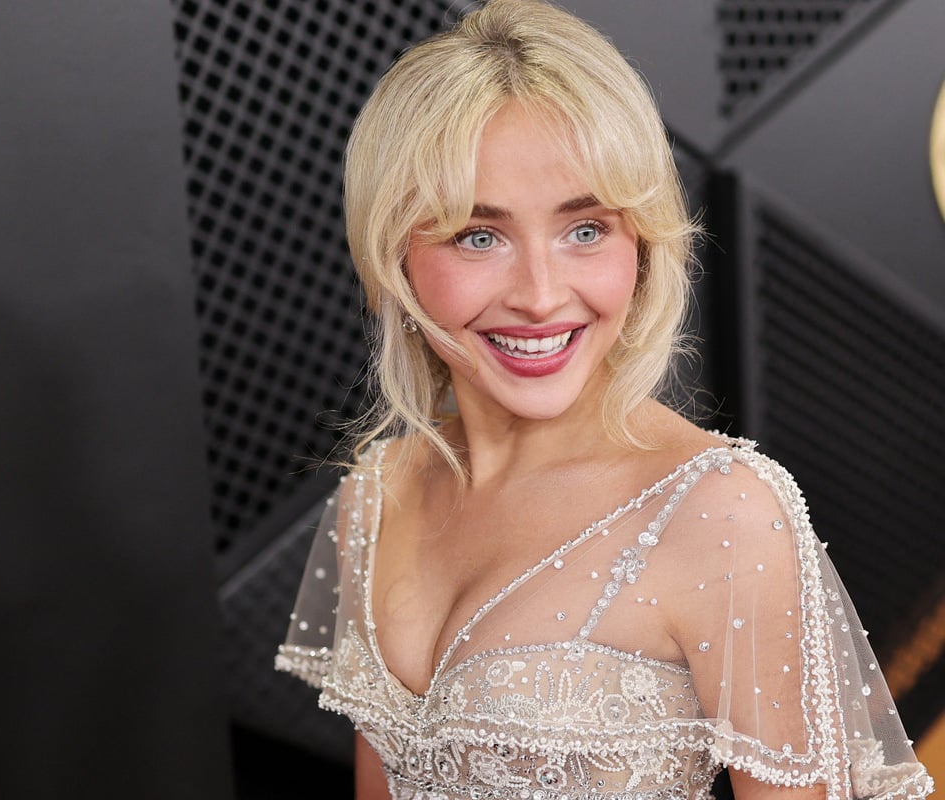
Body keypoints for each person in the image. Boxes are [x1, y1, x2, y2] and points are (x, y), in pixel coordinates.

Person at [275, 1, 934, 799]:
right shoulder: (375, 495)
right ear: (394, 254)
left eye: (585, 230)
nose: (541, 295)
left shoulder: (721, 512)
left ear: (642, 245)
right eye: (479, 236)